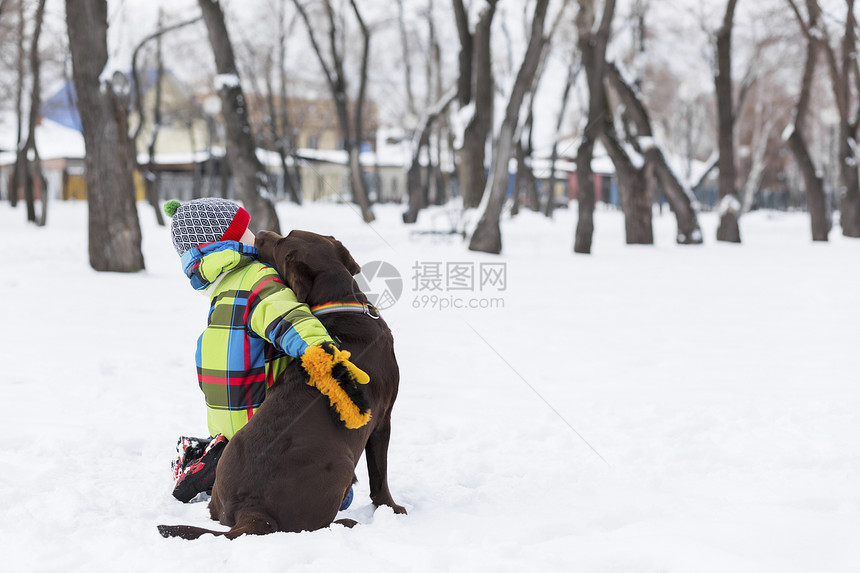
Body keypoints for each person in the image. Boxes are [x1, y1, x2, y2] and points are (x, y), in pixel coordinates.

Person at [163, 198, 366, 507]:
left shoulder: (221, 289)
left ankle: (220, 456)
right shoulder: (259, 280)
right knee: (341, 494)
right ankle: (227, 464)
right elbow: (294, 325)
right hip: (262, 426)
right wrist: (331, 366)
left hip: (226, 420)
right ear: (227, 241)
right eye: (245, 229)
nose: (255, 235)